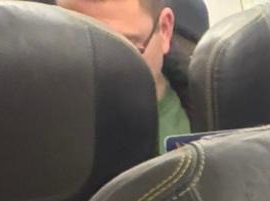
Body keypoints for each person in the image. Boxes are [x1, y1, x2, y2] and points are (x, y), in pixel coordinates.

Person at [57, 0, 191, 153]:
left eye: (124, 45)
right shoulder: (40, 115)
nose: (102, 66)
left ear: (165, 30)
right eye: (77, 44)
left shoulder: (207, 114)